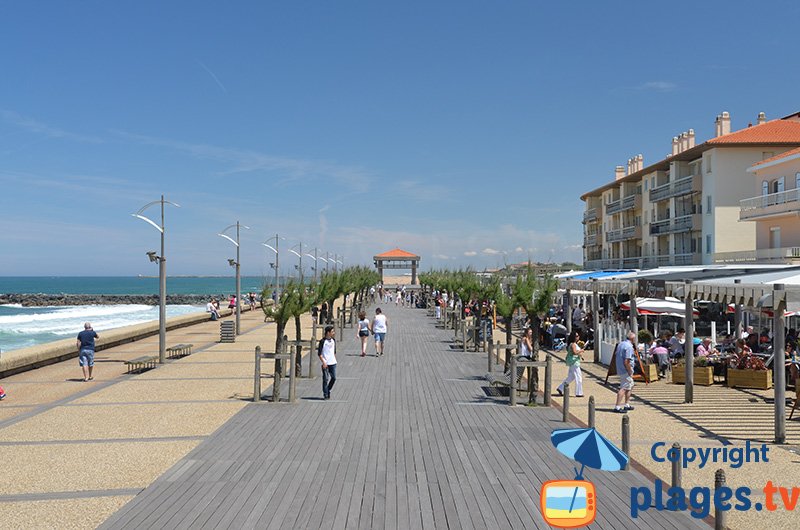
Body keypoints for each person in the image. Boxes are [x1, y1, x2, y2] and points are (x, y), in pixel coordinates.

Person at [614, 331, 636, 413]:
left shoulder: (621, 344)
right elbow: (627, 361)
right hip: (626, 369)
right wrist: (630, 370)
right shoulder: (629, 347)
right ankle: (617, 406)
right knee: (623, 388)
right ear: (632, 339)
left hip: (620, 368)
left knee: (629, 386)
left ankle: (626, 404)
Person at [557, 331, 584, 397]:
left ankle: (561, 388)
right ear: (574, 337)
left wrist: (580, 354)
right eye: (577, 336)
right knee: (578, 377)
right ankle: (579, 393)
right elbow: (575, 352)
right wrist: (581, 350)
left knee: (571, 377)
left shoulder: (575, 344)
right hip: (574, 362)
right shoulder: (573, 344)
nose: (578, 337)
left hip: (574, 362)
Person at [317, 325, 337, 400]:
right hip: (326, 363)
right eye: (332, 332)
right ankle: (325, 394)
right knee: (325, 379)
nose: (333, 333)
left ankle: (328, 389)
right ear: (328, 333)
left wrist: (335, 359)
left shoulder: (333, 340)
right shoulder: (322, 341)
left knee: (334, 378)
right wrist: (323, 362)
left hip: (333, 362)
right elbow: (319, 353)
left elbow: (334, 351)